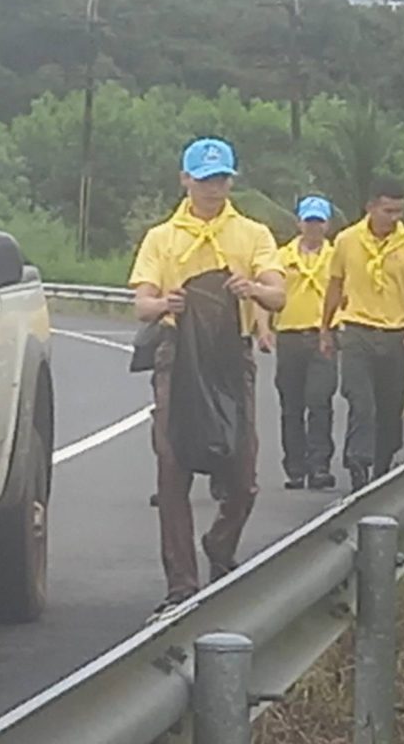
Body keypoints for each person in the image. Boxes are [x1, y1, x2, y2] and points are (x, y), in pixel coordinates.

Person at [129, 136, 286, 618]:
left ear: (230, 181)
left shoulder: (253, 233)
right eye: (204, 180)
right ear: (185, 180)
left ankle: (221, 542)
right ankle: (181, 583)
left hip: (229, 355)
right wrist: (166, 302)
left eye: (220, 179)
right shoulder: (162, 237)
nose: (213, 188)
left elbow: (279, 295)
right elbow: (142, 305)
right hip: (177, 355)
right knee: (172, 465)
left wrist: (251, 288)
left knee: (242, 470)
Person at [319, 176, 404, 490]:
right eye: (388, 211)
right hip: (356, 331)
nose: (394, 218)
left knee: (390, 406)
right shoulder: (347, 240)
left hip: (395, 335)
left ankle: (383, 467)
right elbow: (335, 285)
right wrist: (325, 329)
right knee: (361, 402)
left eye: (399, 211)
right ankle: (357, 463)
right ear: (371, 207)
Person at [255, 195, 340, 491]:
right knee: (291, 405)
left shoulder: (337, 257)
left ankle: (319, 466)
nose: (314, 227)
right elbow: (264, 293)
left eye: (319, 222)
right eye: (309, 221)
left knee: (320, 400)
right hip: (289, 336)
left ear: (327, 225)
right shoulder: (280, 257)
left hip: (323, 336)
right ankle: (295, 468)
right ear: (299, 223)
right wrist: (263, 328)